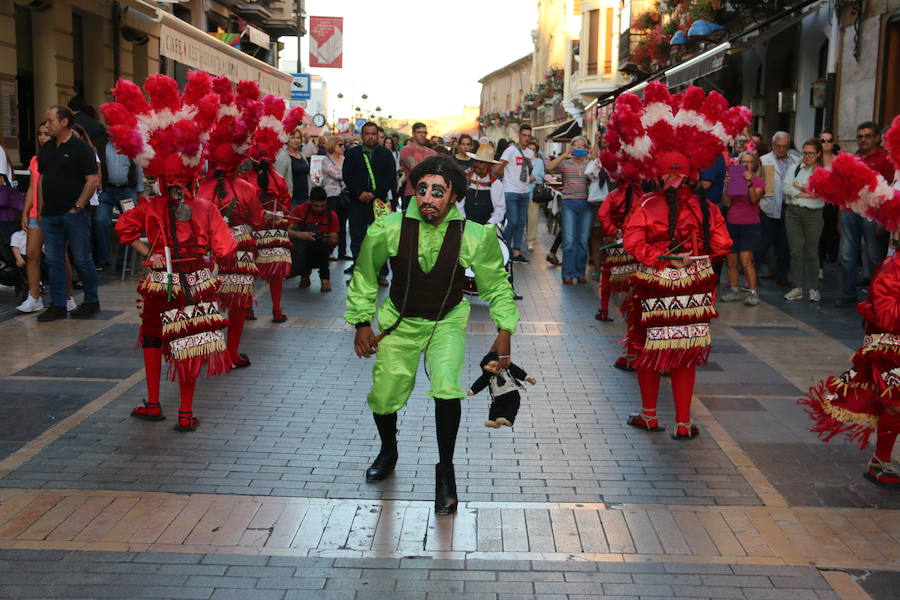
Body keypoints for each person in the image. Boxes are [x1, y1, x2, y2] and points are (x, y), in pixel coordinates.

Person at [345, 154, 519, 515]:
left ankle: (445, 473)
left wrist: (505, 330)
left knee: (445, 386)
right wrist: (362, 322)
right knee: (384, 392)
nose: (427, 198)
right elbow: (364, 274)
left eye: (437, 192)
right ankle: (388, 449)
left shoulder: (473, 234)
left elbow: (496, 285)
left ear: (453, 196)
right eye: (422, 190)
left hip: (447, 321)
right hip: (399, 320)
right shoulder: (389, 227)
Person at [106, 72, 237, 432]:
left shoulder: (148, 206)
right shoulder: (205, 207)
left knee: (152, 333)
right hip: (195, 278)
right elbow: (226, 249)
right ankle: (185, 412)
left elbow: (122, 228)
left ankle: (152, 403)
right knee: (190, 339)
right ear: (195, 170)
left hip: (158, 281)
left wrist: (149, 250)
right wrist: (213, 257)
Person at [617, 84, 742, 440]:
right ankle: (684, 423)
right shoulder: (709, 208)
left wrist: (661, 259)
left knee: (646, 350)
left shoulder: (645, 205)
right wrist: (694, 260)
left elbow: (632, 243)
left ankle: (649, 415)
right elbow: (723, 244)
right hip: (696, 292)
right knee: (686, 354)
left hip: (653, 287)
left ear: (657, 174)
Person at [800, 116, 900, 486]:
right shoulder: (892, 270)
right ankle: (881, 459)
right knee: (894, 401)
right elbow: (887, 314)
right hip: (894, 348)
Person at [197, 76, 265, 369]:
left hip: (208, 251)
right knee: (237, 305)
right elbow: (258, 220)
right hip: (239, 251)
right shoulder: (248, 189)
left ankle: (207, 352)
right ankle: (231, 354)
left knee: (208, 303)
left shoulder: (201, 188)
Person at [243, 95, 305, 323]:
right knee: (274, 271)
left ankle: (250, 308)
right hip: (271, 229)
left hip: (251, 228)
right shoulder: (275, 178)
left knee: (248, 268)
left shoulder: (246, 179)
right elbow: (285, 198)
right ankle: (276, 310)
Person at [35, 105, 101, 321]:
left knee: (82, 259)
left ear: (64, 122)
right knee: (53, 260)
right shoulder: (46, 149)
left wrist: (78, 206)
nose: (47, 125)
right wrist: (41, 209)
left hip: (74, 214)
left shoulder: (81, 149)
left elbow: (92, 179)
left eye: (50, 121)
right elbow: (42, 179)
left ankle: (91, 301)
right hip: (51, 214)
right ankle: (58, 304)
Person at [836, 121, 897, 307]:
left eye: (868, 136)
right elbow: (844, 189)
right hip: (850, 211)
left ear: (877, 138)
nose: (863, 140)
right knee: (847, 256)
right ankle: (848, 294)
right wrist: (840, 213)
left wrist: (884, 220)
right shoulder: (853, 159)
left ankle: (876, 297)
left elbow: (891, 191)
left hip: (873, 215)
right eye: (860, 136)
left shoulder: (886, 160)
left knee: (874, 257)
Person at [342, 121, 397, 276]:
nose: (371, 137)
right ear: (362, 135)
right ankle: (360, 272)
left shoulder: (385, 154)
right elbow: (347, 175)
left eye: (373, 133)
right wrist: (359, 193)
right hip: (357, 202)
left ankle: (382, 273)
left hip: (378, 203)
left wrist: (375, 193)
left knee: (380, 238)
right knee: (357, 237)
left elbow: (390, 177)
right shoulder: (353, 153)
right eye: (367, 134)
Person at [783, 139, 826, 302]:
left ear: (818, 154)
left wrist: (800, 188)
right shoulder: (794, 168)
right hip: (793, 212)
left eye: (811, 153)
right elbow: (786, 188)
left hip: (813, 214)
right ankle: (797, 288)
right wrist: (808, 192)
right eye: (805, 152)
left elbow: (822, 193)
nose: (807, 156)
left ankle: (814, 288)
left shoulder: (822, 172)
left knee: (812, 251)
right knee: (795, 251)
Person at [720, 151, 765, 306]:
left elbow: (754, 200)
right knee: (731, 260)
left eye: (749, 161)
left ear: (754, 164)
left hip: (750, 224)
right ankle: (733, 290)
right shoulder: (734, 180)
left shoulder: (758, 181)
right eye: (742, 161)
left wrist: (749, 183)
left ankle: (753, 293)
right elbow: (726, 202)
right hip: (733, 222)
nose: (745, 164)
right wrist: (727, 185)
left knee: (746, 261)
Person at [545, 135, 592, 283]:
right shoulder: (565, 163)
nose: (579, 148)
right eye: (576, 146)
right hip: (568, 204)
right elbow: (549, 167)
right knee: (570, 241)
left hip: (586, 204)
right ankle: (567, 273)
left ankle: (580, 272)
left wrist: (592, 151)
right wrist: (565, 154)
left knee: (583, 241)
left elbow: (599, 164)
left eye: (582, 146)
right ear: (572, 147)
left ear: (586, 148)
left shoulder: (590, 163)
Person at [16, 122, 52, 314]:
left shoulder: (58, 157)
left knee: (58, 257)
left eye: (46, 134)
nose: (42, 137)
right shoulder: (35, 160)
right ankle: (34, 296)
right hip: (34, 214)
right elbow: (31, 187)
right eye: (40, 134)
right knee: (31, 254)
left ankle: (67, 296)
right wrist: (25, 211)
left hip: (54, 212)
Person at [757, 131, 798, 287]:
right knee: (763, 243)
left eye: (784, 146)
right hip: (768, 207)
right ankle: (753, 274)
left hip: (788, 207)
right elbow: (757, 182)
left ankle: (783, 275)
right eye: (778, 146)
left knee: (785, 245)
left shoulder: (795, 161)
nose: (781, 149)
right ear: (772, 145)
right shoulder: (763, 161)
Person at [95, 140, 142, 271]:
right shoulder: (101, 145)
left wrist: (139, 191)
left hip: (126, 190)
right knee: (100, 220)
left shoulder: (131, 146)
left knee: (130, 223)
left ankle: (123, 262)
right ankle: (103, 259)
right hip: (107, 190)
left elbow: (138, 168)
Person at [497, 125, 536, 262]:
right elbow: (498, 168)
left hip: (524, 191)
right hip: (511, 191)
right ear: (519, 135)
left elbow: (529, 171)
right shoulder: (510, 150)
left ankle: (516, 252)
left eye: (528, 136)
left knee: (520, 223)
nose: (526, 138)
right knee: (512, 221)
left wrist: (527, 179)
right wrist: (507, 179)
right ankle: (502, 248)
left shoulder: (530, 153)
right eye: (524, 135)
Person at [289, 186, 338, 292]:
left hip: (322, 250)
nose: (319, 208)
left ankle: (325, 280)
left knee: (321, 250)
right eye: (316, 206)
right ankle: (304, 275)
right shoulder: (300, 210)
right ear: (310, 202)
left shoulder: (332, 215)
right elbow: (286, 232)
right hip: (302, 248)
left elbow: (335, 239)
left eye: (322, 206)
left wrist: (325, 239)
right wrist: (301, 235)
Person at [459, 142, 505, 226]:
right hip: (466, 224)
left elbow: (500, 208)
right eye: (476, 161)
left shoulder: (496, 184)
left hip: (487, 227)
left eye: (481, 162)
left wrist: (490, 222)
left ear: (489, 165)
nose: (476, 165)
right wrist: (464, 220)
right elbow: (459, 204)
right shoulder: (465, 180)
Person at [321, 135, 350, 260]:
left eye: (343, 144)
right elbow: (336, 174)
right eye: (340, 145)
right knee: (331, 223)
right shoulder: (326, 160)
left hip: (343, 195)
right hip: (331, 195)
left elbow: (347, 174)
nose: (343, 147)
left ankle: (342, 252)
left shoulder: (344, 159)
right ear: (333, 145)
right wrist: (346, 174)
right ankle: (329, 251)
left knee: (343, 224)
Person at [399, 122, 436, 207]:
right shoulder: (406, 149)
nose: (423, 135)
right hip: (412, 192)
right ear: (413, 134)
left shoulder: (432, 152)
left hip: (431, 193)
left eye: (425, 132)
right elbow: (415, 168)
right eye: (419, 132)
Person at [819, 131, 840, 265]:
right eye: (823, 141)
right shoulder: (815, 159)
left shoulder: (839, 160)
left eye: (829, 140)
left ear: (833, 142)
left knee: (831, 232)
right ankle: (819, 264)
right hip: (817, 201)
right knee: (818, 234)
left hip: (833, 203)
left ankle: (830, 258)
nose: (826, 143)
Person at [525, 139, 545, 253]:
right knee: (520, 219)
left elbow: (542, 177)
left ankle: (530, 241)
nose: (531, 152)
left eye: (534, 150)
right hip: (520, 192)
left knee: (533, 218)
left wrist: (535, 178)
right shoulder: (522, 160)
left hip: (533, 194)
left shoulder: (539, 162)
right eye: (530, 149)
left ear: (537, 152)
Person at [287, 128, 310, 208]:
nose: (296, 140)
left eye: (298, 138)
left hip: (305, 198)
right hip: (292, 199)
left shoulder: (302, 155)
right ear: (287, 139)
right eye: (293, 137)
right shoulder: (282, 156)